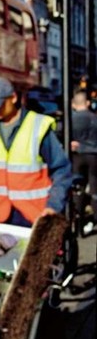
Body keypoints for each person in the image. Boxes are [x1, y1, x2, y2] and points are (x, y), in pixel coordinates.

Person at [0, 77, 73, 227]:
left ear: (13, 98)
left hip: (34, 216)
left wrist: (53, 206)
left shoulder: (38, 126)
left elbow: (61, 170)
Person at [70, 89, 97, 234]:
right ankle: (95, 218)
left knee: (77, 188)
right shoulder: (94, 118)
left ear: (73, 104)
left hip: (77, 156)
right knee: (94, 188)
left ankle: (78, 222)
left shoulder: (71, 119)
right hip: (94, 155)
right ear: (87, 103)